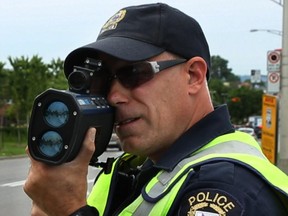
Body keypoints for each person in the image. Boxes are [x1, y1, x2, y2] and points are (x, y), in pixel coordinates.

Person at [24, 3, 288, 216]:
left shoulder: (225, 188)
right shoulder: (138, 167)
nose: (114, 96)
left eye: (134, 73)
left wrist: (70, 211)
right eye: (104, 81)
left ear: (194, 76)